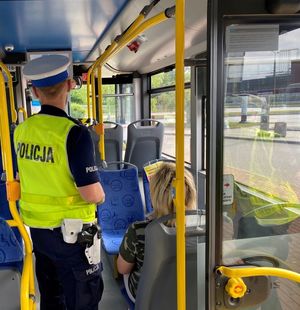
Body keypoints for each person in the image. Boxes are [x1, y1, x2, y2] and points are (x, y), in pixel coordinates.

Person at [14, 55, 105, 310]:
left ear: (34, 91)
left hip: (40, 235)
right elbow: (91, 194)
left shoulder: (21, 131)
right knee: (83, 300)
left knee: (53, 299)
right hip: (74, 238)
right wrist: (102, 195)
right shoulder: (74, 133)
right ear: (68, 85)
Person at [117, 162, 197, 300]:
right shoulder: (203, 229)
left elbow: (122, 269)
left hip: (150, 298)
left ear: (154, 195)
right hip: (190, 294)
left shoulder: (139, 231)